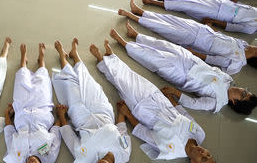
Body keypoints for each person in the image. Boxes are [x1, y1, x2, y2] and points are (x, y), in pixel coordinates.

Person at [90, 35, 217, 163]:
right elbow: (184, 114)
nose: (204, 153)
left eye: (204, 158)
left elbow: (145, 134)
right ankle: (111, 57)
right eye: (208, 154)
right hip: (162, 102)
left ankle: (101, 60)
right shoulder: (200, 134)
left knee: (121, 83)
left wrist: (127, 114)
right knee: (133, 77)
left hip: (145, 111)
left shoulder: (171, 151)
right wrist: (170, 97)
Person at [109, 26, 257, 114]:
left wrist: (175, 93)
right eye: (245, 90)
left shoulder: (217, 103)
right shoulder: (228, 79)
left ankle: (123, 43)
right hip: (191, 60)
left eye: (243, 94)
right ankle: (137, 36)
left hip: (182, 74)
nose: (241, 89)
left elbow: (193, 103)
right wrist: (194, 55)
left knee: (153, 57)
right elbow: (211, 67)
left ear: (234, 102)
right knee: (163, 45)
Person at [52, 39, 131, 163]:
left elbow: (70, 139)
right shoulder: (124, 154)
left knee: (69, 84)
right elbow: (122, 130)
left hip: (80, 118)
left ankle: (62, 55)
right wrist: (122, 112)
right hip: (102, 110)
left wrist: (62, 117)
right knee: (87, 81)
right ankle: (75, 55)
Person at [118, 0, 257, 74]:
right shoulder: (243, 44)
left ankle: (133, 17)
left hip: (197, 41)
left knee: (165, 28)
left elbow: (211, 59)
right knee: (171, 19)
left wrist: (192, 52)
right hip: (204, 31)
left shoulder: (237, 63)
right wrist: (211, 27)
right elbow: (222, 36)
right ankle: (140, 11)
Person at [3, 43, 61, 163]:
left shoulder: (15, 158)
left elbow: (9, 133)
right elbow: (55, 133)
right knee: (42, 81)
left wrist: (7, 115)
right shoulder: (49, 158)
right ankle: (41, 59)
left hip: (21, 111)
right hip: (42, 110)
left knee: (22, 79)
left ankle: (23, 58)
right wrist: (61, 116)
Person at [142, 0, 257, 34]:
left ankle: (155, 2)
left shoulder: (251, 28)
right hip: (222, 3)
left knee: (187, 5)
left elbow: (229, 26)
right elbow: (241, 5)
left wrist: (213, 21)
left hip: (218, 13)